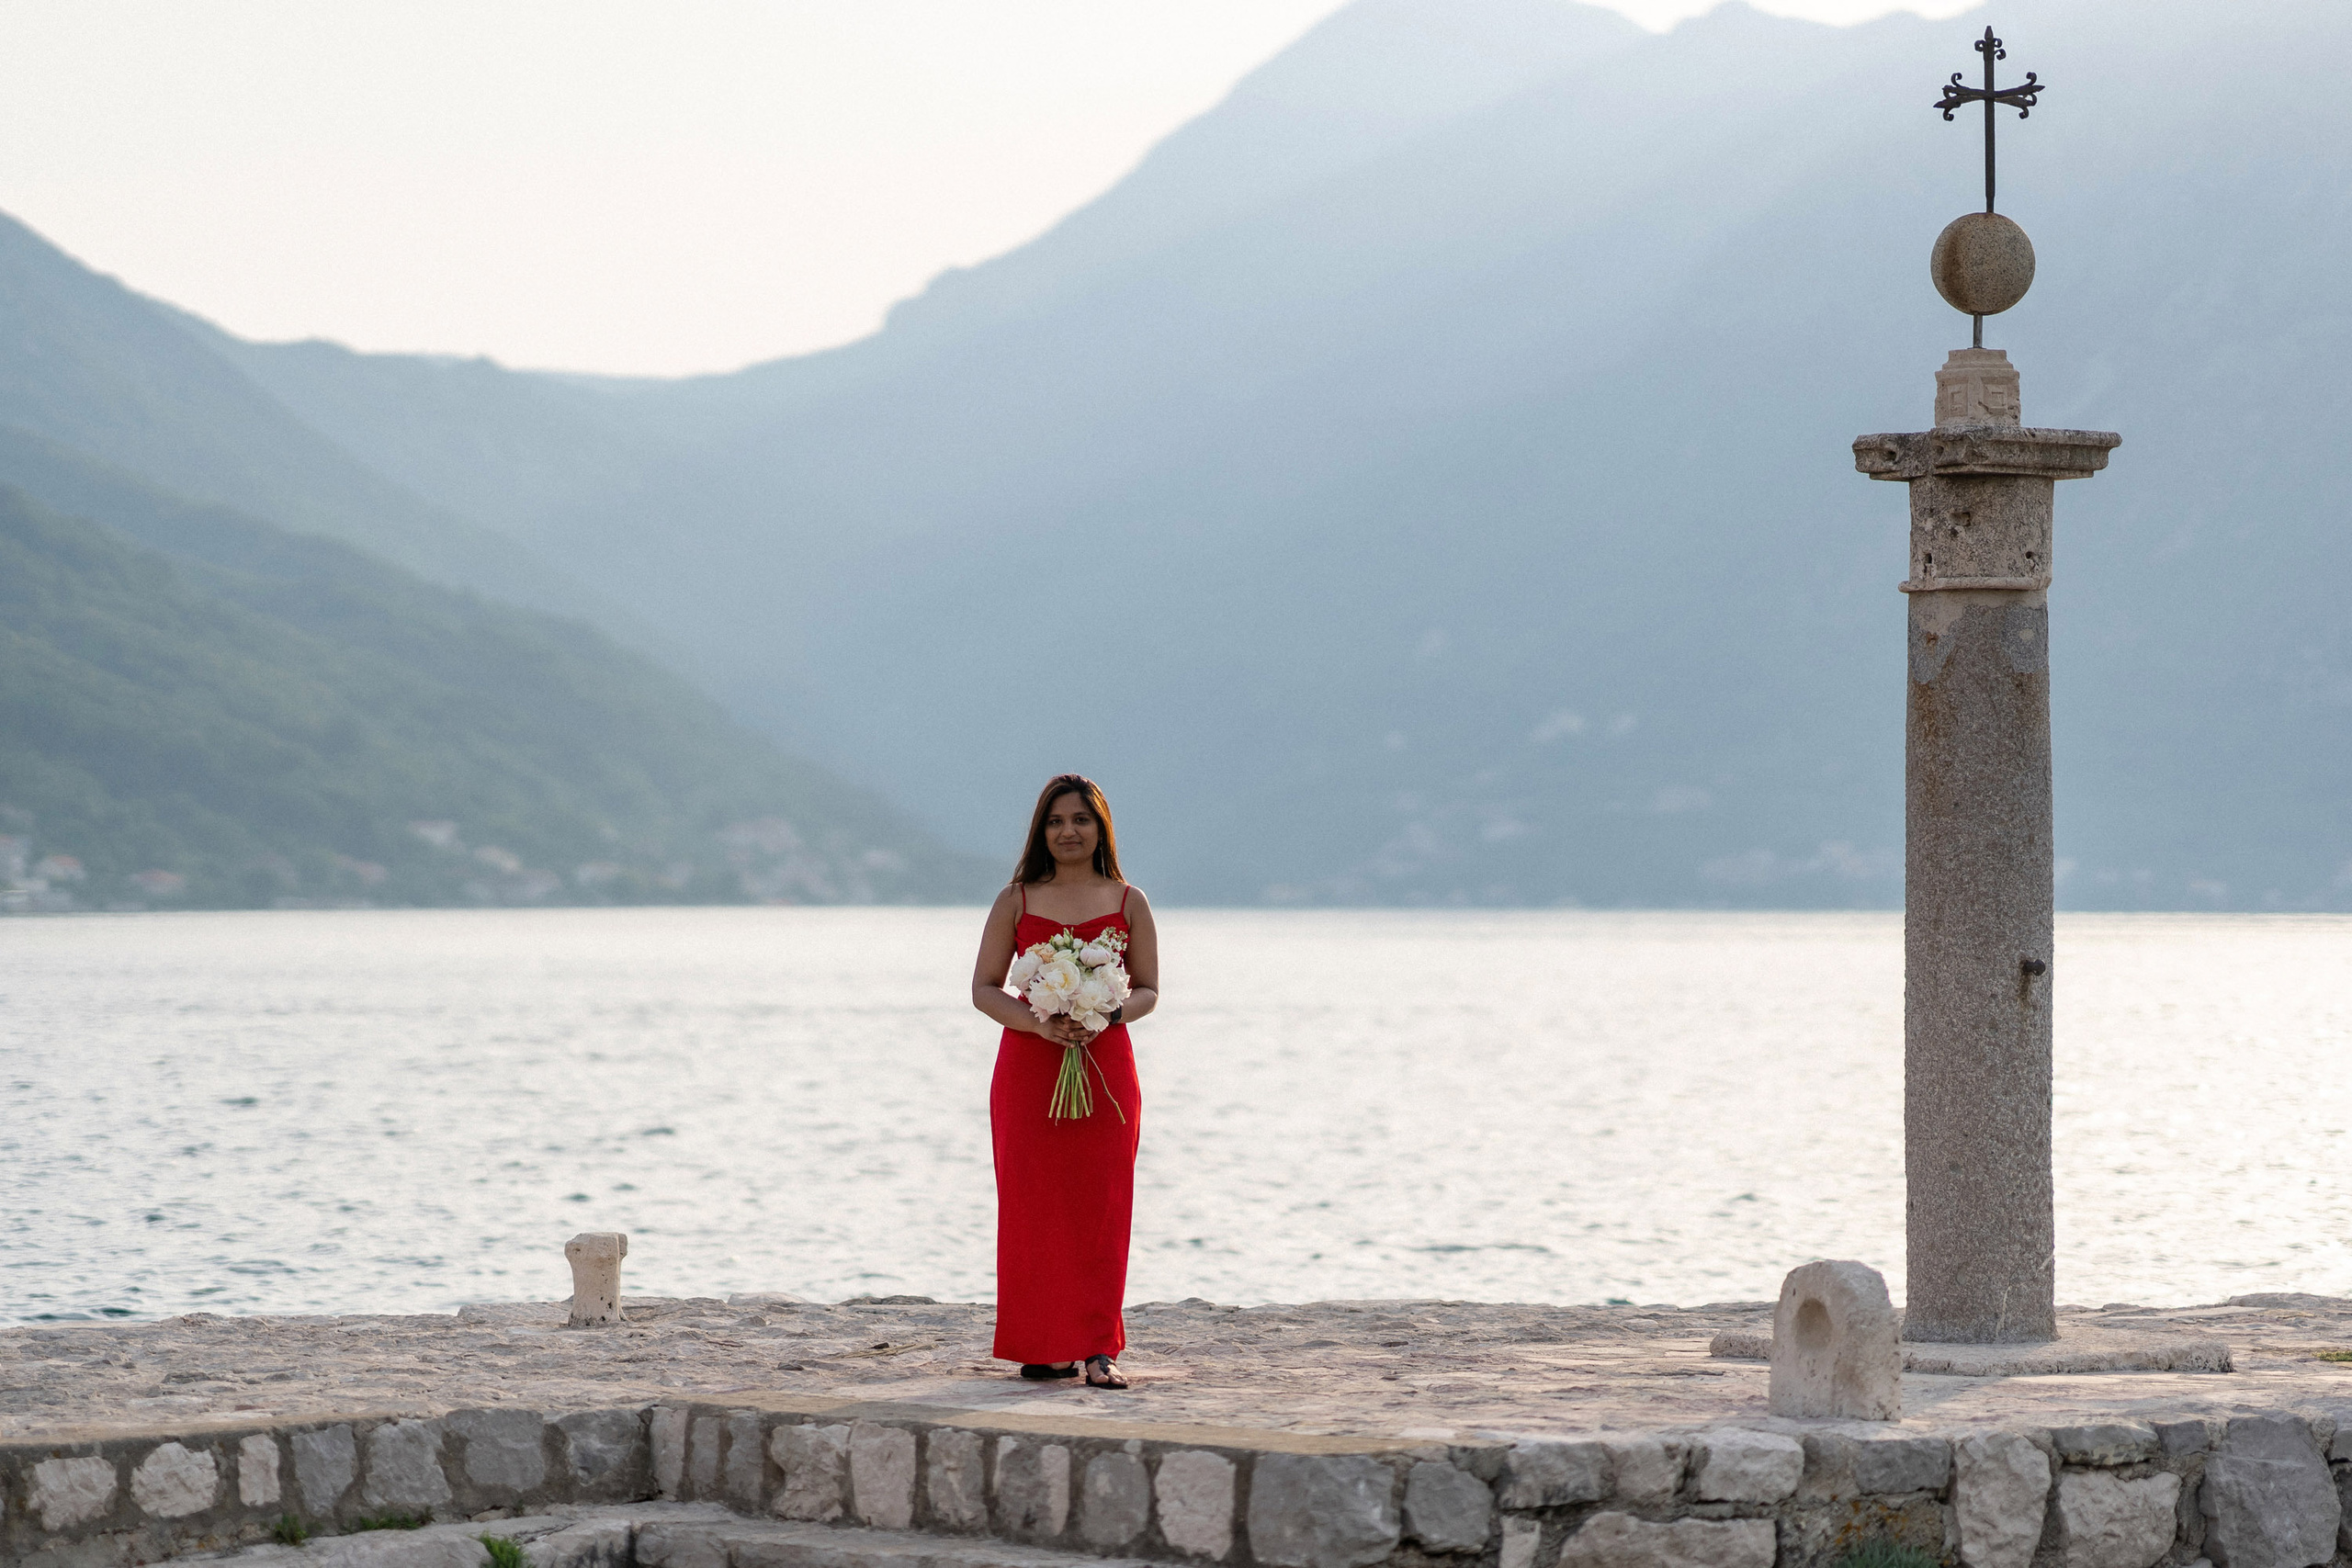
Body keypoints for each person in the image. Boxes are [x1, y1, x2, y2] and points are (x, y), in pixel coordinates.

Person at [969, 773, 1159, 1388]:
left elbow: (1150, 989)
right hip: (1029, 1067)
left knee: (1101, 1205)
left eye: (1079, 819)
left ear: (1100, 826)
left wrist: (1104, 1011)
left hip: (1106, 1068)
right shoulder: (1016, 899)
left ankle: (1099, 1348)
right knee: (1034, 1206)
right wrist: (1038, 1023)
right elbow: (984, 987)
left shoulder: (1130, 900)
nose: (1067, 831)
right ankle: (1044, 1345)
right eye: (1055, 821)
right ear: (1040, 830)